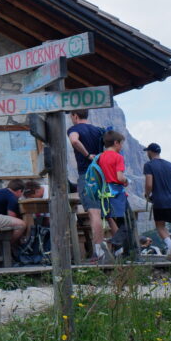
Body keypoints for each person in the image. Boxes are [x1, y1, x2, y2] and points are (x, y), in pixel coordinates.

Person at [67, 110, 107, 261]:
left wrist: (87, 155)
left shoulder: (74, 129)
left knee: (93, 213)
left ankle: (99, 251)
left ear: (75, 116)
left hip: (87, 175)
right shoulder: (99, 130)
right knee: (105, 213)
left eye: (71, 116)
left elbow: (74, 141)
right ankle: (117, 250)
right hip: (101, 175)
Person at [142, 142, 171, 262]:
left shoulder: (149, 165)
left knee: (160, 226)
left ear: (150, 152)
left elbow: (149, 184)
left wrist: (147, 195)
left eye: (147, 151)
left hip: (160, 200)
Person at [97, 130, 130, 255]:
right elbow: (120, 177)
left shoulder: (100, 157)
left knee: (114, 221)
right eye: (121, 144)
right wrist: (126, 180)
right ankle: (116, 243)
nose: (121, 147)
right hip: (117, 193)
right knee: (126, 223)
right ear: (116, 143)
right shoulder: (118, 157)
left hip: (104, 193)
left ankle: (117, 250)